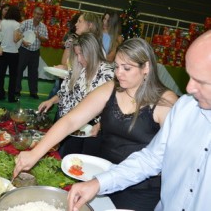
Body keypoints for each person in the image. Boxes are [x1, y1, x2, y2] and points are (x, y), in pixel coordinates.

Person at [13, 37, 178, 211]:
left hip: (140, 190)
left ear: (146, 67)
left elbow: (171, 157)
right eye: (116, 66)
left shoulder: (165, 102)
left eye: (127, 68)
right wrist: (35, 153)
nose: (118, 73)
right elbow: (71, 120)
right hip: (101, 177)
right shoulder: (110, 89)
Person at [66, 30, 211, 211]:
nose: (189, 88)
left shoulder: (167, 102)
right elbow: (150, 159)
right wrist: (98, 183)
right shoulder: (185, 108)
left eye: (201, 81)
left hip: (143, 193)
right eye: (189, 76)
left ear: (146, 68)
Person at [39, 33, 114, 156]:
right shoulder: (78, 68)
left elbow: (115, 107)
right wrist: (51, 101)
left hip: (94, 130)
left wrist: (101, 124)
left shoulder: (108, 74)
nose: (79, 59)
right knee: (67, 157)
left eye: (82, 54)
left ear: (92, 52)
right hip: (74, 126)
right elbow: (64, 92)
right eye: (77, 54)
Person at [15, 6, 48, 99]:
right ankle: (17, 90)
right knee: (19, 70)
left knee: (33, 73)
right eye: (37, 14)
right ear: (33, 14)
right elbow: (18, 33)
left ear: (42, 16)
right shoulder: (25, 23)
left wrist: (39, 37)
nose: (39, 16)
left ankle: (33, 92)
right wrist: (23, 41)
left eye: (41, 14)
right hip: (23, 51)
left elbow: (45, 39)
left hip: (35, 52)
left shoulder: (43, 27)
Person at [0, 5, 22, 102]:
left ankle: (0, 94)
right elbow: (15, 39)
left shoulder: (3, 22)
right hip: (13, 53)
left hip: (2, 51)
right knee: (13, 76)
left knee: (1, 75)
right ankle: (11, 97)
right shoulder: (16, 24)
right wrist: (21, 36)